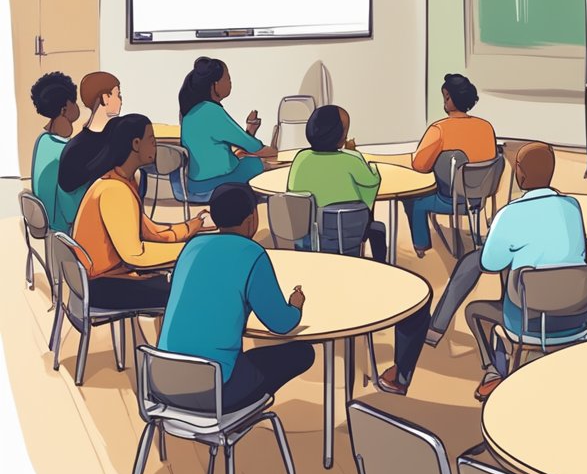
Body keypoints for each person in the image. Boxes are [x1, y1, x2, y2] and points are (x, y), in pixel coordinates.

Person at [386, 143, 587, 400]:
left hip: (528, 320)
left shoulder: (511, 214)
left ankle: (495, 370)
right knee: (512, 271)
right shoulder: (572, 207)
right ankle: (439, 330)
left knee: (474, 309)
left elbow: (491, 263)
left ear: (520, 175)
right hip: (577, 317)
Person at [157, 183, 315, 412]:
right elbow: (282, 324)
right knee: (302, 353)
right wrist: (295, 306)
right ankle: (242, 414)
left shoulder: (192, 247)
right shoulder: (251, 253)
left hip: (162, 382)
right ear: (252, 217)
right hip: (214, 393)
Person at [70, 114, 209, 311]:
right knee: (194, 285)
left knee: (187, 276)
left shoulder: (122, 180)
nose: (155, 147)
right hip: (102, 286)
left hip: (106, 278)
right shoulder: (114, 190)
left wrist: (190, 228)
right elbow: (136, 255)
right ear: (136, 144)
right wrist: (191, 250)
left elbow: (149, 231)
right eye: (151, 141)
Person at [405, 73, 497, 257]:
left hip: (448, 200)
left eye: (445, 97)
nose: (444, 101)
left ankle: (421, 245)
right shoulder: (486, 127)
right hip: (479, 199)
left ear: (450, 98)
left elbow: (419, 165)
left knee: (413, 199)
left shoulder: (439, 129)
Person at [287, 105, 387, 262]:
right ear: (339, 135)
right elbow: (371, 183)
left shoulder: (301, 159)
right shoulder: (351, 160)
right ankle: (382, 270)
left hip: (307, 239)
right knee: (377, 228)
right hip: (348, 237)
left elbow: (291, 193)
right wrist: (357, 155)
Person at [179, 57, 275, 199]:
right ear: (215, 84)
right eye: (227, 78)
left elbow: (237, 144)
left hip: (195, 184)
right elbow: (254, 148)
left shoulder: (192, 111)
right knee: (256, 164)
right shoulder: (212, 112)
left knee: (247, 160)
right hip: (213, 184)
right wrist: (278, 153)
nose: (230, 83)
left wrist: (249, 131)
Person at [29, 72, 85, 232]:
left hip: (44, 221)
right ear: (65, 109)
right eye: (75, 102)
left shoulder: (43, 140)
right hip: (61, 228)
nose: (77, 106)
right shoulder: (66, 151)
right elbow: (70, 212)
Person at [58, 71, 122, 196]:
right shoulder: (78, 147)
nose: (121, 100)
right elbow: (67, 184)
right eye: (118, 95)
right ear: (105, 98)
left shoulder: (77, 143)